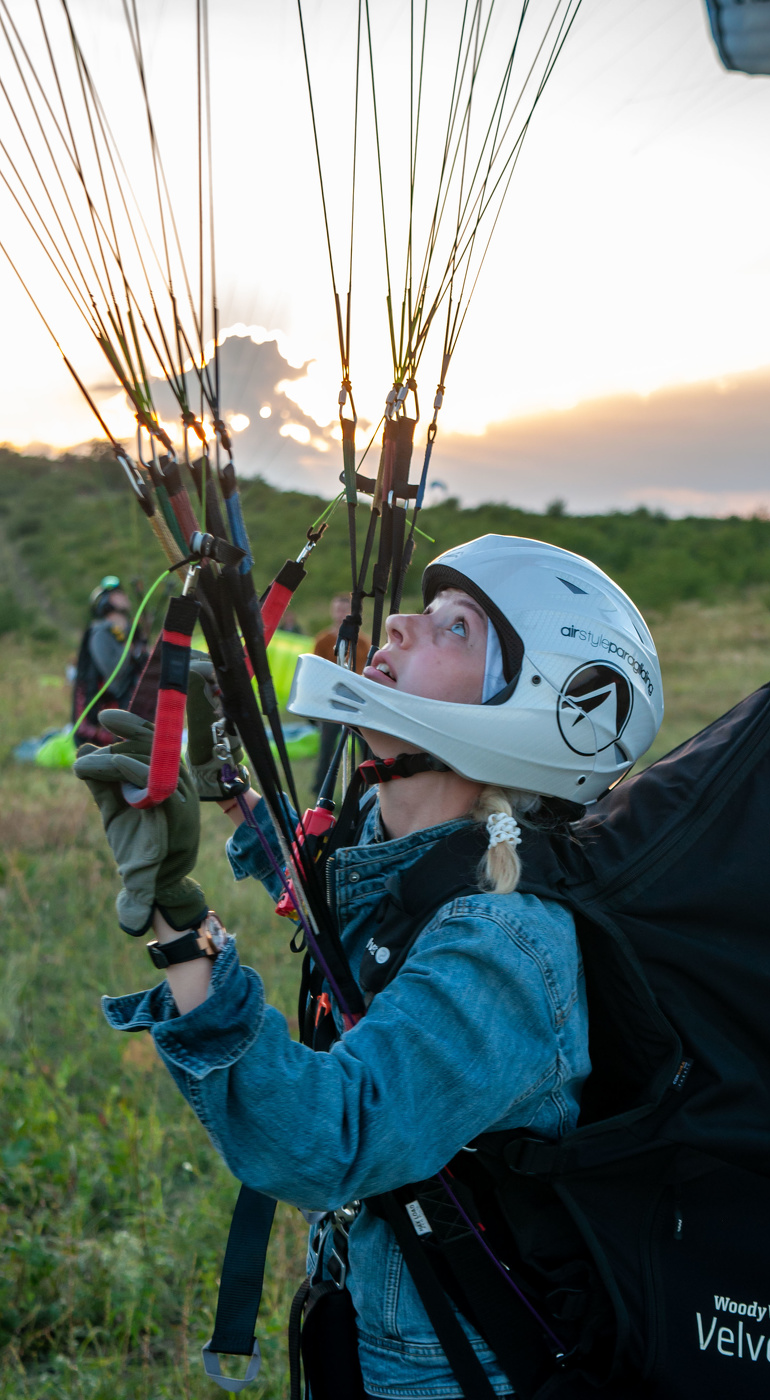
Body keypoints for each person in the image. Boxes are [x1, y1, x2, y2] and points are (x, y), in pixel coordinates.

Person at [74, 535, 662, 1398]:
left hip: (452, 1369)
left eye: (456, 628)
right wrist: (231, 789)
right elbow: (341, 903)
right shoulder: (419, 853)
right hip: (377, 1320)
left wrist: (177, 916)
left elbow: (327, 1136)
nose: (399, 624)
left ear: (536, 708)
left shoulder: (504, 946)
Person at [72, 575, 148, 745]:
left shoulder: (132, 632)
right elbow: (115, 675)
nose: (124, 596)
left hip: (132, 714)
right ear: (105, 602)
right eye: (117, 594)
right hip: (105, 724)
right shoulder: (100, 633)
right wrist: (130, 648)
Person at [312, 592, 371, 791]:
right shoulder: (323, 641)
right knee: (327, 748)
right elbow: (317, 672)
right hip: (331, 701)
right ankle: (320, 790)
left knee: (366, 747)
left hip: (357, 702)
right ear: (332, 612)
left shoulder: (363, 643)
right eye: (338, 610)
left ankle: (367, 789)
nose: (341, 615)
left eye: (345, 610)